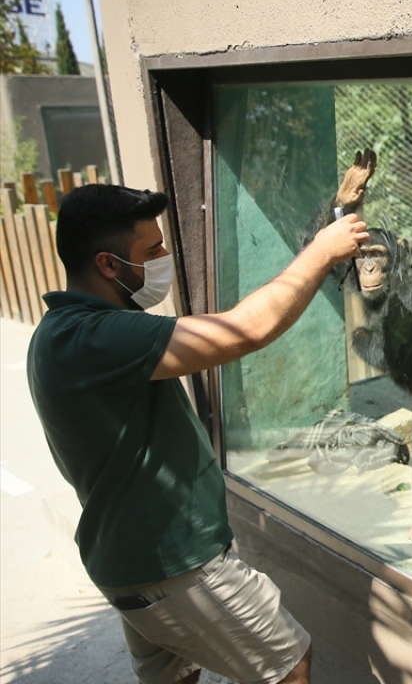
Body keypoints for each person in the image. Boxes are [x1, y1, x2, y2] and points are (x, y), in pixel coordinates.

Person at [26, 183, 369, 684]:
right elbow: (243, 331)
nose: (164, 257)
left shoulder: (62, 332)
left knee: (175, 674)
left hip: (130, 564)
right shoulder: (95, 337)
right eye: (152, 250)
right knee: (287, 664)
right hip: (173, 567)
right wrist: (321, 253)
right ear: (107, 264)